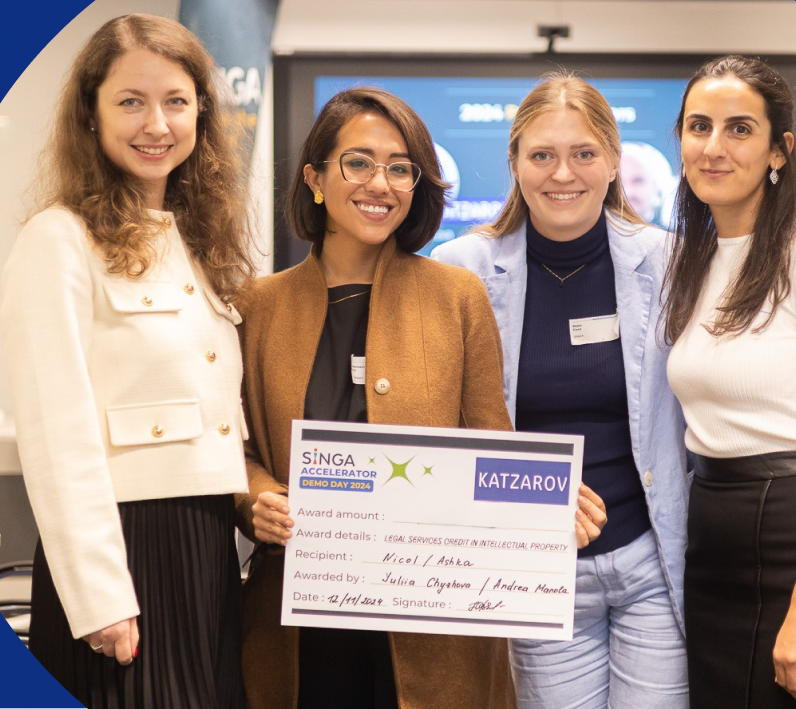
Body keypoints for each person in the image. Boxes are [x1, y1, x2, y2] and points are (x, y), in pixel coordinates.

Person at [235, 86, 607, 709]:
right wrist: (257, 499)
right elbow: (235, 449)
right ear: (315, 178)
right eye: (358, 162)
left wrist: (545, 504)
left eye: (400, 168)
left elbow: (493, 444)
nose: (379, 183)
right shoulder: (257, 306)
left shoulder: (456, 296)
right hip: (301, 622)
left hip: (437, 622)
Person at [0, 14, 255, 708]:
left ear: (201, 109)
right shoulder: (57, 240)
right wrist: (99, 595)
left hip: (203, 546)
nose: (158, 123)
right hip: (125, 550)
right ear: (90, 112)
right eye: (130, 101)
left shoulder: (197, 239)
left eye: (176, 101)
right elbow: (58, 437)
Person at [432, 72, 691, 709]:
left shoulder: (672, 262)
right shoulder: (459, 271)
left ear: (612, 163)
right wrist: (533, 489)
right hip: (536, 571)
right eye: (541, 154)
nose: (562, 173)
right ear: (515, 164)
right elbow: (441, 428)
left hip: (651, 563)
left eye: (583, 154)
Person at [663, 54, 796, 709]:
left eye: (739, 129)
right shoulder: (687, 258)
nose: (714, 147)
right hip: (709, 531)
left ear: (779, 150)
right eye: (698, 126)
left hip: (785, 536)